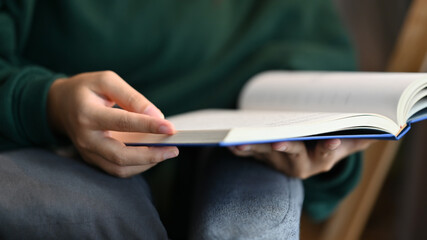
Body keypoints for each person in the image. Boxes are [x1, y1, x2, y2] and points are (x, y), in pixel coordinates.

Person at [0, 0, 373, 239]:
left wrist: (324, 148)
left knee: (258, 211)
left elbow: (320, 56)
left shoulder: (299, 25)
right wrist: (48, 102)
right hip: (53, 146)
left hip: (239, 148)